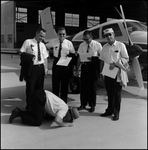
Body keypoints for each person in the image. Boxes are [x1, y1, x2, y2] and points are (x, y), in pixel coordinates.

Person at [99, 28, 129, 121]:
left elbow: (126, 58)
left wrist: (116, 63)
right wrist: (101, 72)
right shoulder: (104, 47)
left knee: (117, 93)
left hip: (117, 72)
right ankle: (109, 110)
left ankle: (116, 113)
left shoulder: (120, 45)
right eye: (106, 35)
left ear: (113, 34)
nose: (108, 37)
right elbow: (102, 61)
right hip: (107, 72)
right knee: (109, 93)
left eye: (110, 34)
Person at [9, 90, 79, 127]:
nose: (67, 120)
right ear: (70, 114)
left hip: (39, 95)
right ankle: (18, 113)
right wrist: (65, 125)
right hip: (39, 99)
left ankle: (22, 113)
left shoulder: (65, 106)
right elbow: (57, 120)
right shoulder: (64, 110)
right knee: (38, 122)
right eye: (70, 119)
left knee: (41, 116)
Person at [19, 27, 49, 111]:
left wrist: (46, 69)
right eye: (40, 36)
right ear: (36, 34)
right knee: (30, 89)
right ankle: (29, 106)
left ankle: (37, 106)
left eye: (43, 37)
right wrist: (29, 57)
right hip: (32, 68)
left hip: (40, 68)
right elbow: (21, 52)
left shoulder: (43, 45)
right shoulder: (28, 42)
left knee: (39, 89)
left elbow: (45, 58)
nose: (42, 38)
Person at [46, 27, 76, 103]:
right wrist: (47, 55)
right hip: (57, 63)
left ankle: (63, 102)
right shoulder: (53, 41)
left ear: (65, 34)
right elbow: (46, 47)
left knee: (64, 84)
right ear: (57, 34)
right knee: (55, 83)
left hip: (65, 63)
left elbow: (73, 53)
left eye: (63, 34)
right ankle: (55, 102)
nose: (62, 36)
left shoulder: (69, 43)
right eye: (60, 34)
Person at [76, 30, 102, 112]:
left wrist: (95, 60)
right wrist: (77, 69)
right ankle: (83, 104)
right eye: (84, 39)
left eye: (87, 39)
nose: (86, 41)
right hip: (84, 67)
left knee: (92, 87)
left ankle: (92, 105)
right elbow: (79, 58)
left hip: (93, 68)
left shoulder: (97, 45)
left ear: (91, 37)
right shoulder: (82, 45)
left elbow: (101, 58)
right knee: (83, 87)